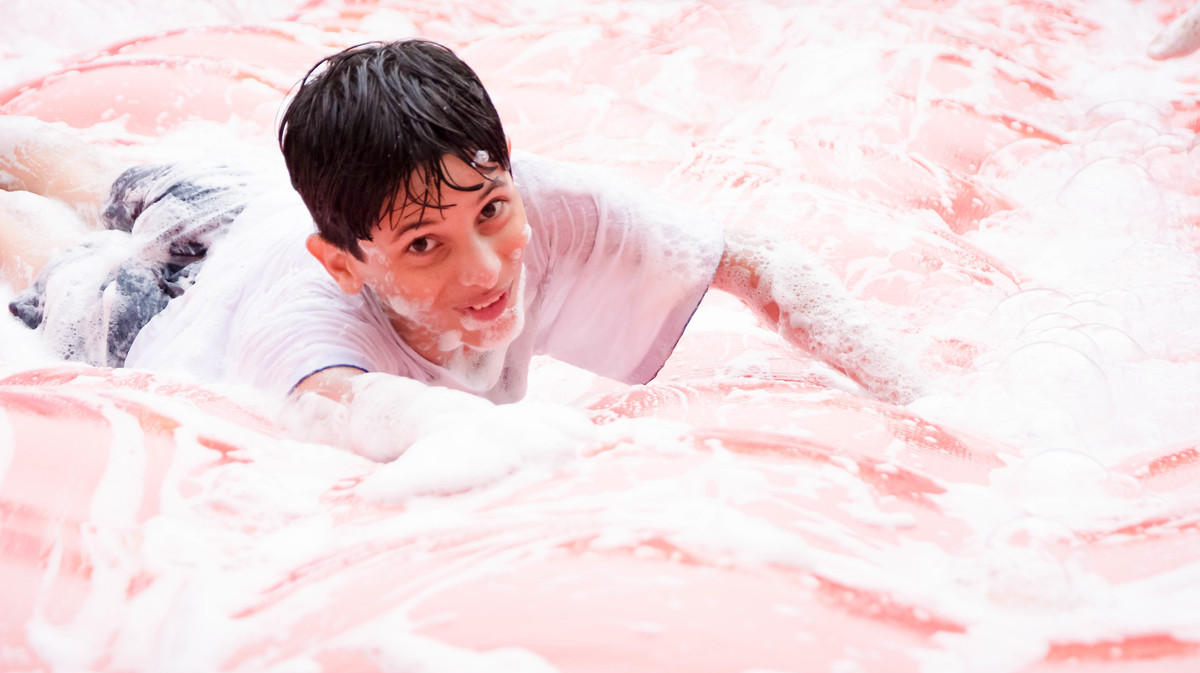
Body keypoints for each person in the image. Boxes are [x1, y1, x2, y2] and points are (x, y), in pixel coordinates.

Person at [1, 39, 925, 462]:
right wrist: (543, 459)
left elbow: (757, 262)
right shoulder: (309, 332)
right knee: (53, 238)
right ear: (347, 264)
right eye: (427, 245)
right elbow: (361, 410)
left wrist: (925, 404)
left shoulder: (541, 202)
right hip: (161, 320)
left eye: (490, 212)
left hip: (246, 207)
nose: (487, 268)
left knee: (92, 172)